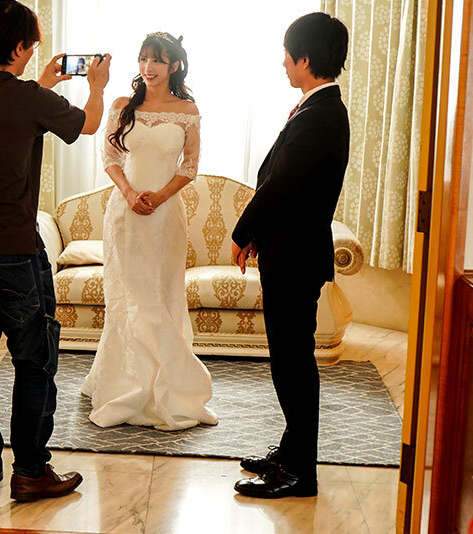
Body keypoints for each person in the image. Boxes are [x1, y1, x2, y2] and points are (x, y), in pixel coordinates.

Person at [0, 0, 111, 501]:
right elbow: (88, 124)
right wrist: (96, 87)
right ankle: (31, 470)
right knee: (34, 364)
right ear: (17, 47)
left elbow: (1, 109)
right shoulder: (29, 98)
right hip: (13, 255)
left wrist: (42, 84)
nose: (34, 53)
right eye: (30, 46)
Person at [231, 12, 350, 499]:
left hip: (296, 257)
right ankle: (290, 452)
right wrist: (262, 235)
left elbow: (281, 184)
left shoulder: (321, 114)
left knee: (294, 365)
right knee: (289, 361)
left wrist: (243, 231)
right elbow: (290, 186)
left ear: (305, 57)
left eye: (286, 53)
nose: (282, 63)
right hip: (290, 249)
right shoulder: (317, 107)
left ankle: (300, 472)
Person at [81, 32, 218, 431]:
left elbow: (189, 166)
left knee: (161, 295)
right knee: (127, 297)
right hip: (124, 214)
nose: (148, 67)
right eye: (143, 59)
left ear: (174, 65)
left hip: (165, 215)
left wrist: (159, 197)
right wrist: (129, 194)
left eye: (157, 60)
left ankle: (167, 386)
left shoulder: (187, 110)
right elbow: (110, 157)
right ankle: (124, 382)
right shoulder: (123, 106)